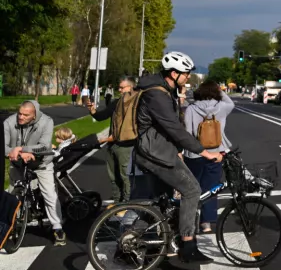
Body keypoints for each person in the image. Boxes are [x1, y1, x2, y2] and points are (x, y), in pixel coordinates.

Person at [134, 51, 222, 263]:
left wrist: (179, 151)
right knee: (192, 190)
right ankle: (188, 245)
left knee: (162, 202)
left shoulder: (164, 91)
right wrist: (204, 152)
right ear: (173, 74)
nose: (188, 76)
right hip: (156, 154)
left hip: (158, 150)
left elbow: (168, 128)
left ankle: (136, 240)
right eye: (186, 73)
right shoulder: (157, 95)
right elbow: (174, 129)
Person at [3, 100, 66, 246]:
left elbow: (44, 146)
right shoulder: (9, 122)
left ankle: (58, 228)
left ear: (34, 115)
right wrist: (17, 153)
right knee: (13, 194)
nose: (21, 117)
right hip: (18, 162)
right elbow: (3, 146)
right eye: (19, 113)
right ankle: (11, 225)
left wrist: (22, 149)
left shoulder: (46, 122)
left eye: (26, 115)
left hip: (42, 162)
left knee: (49, 193)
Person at [183, 81, 235, 234]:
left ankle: (190, 220)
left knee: (192, 188)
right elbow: (230, 103)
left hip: (194, 154)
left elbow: (187, 133)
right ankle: (206, 223)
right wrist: (220, 90)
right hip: (216, 153)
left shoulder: (191, 109)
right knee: (211, 187)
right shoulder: (222, 107)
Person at [89, 76, 137, 204]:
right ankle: (117, 202)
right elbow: (102, 116)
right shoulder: (117, 102)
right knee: (113, 176)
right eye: (119, 87)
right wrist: (93, 111)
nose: (119, 90)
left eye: (122, 87)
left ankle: (126, 203)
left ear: (131, 87)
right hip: (112, 144)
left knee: (125, 176)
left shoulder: (137, 104)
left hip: (127, 147)